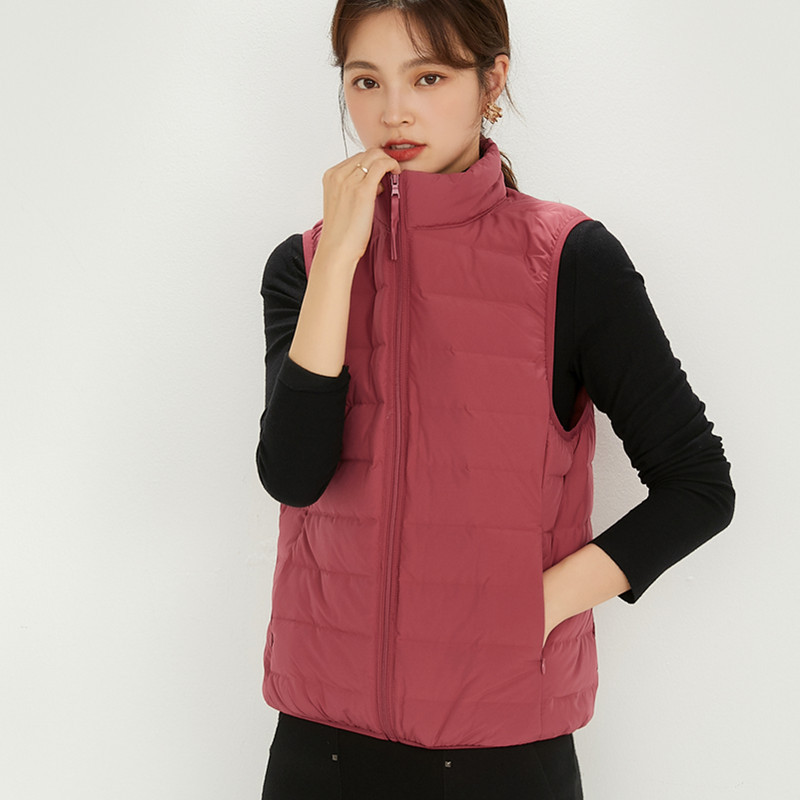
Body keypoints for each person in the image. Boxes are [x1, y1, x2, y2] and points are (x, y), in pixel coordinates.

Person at [255, 1, 735, 797]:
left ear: (492, 80)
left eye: (428, 77)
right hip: (319, 750)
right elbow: (294, 475)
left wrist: (533, 608)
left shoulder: (570, 261)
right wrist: (339, 258)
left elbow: (699, 486)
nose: (393, 111)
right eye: (366, 81)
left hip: (500, 754)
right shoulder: (303, 266)